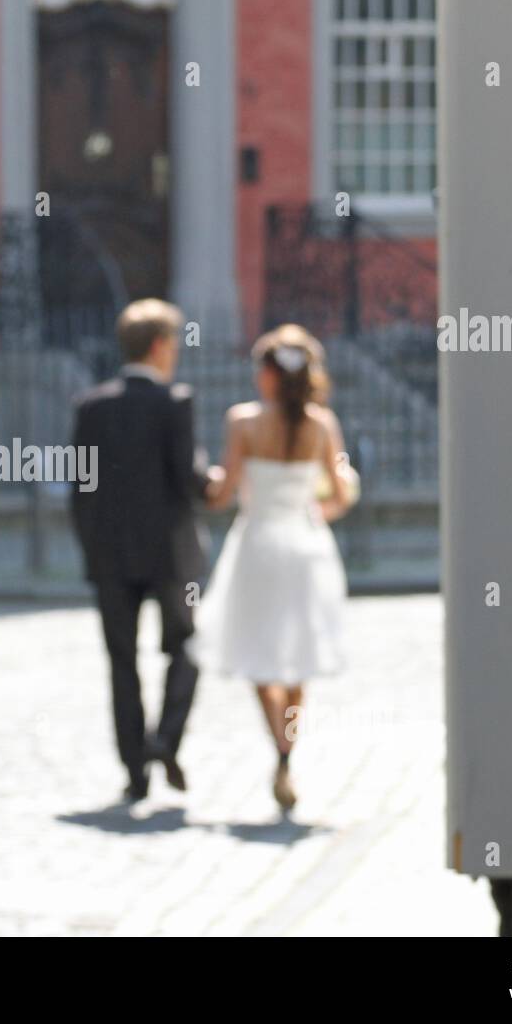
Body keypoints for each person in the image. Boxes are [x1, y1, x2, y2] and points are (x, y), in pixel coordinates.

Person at [190, 323, 353, 812]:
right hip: (305, 545)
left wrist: (203, 479)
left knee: (258, 653)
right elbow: (340, 494)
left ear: (267, 375)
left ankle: (279, 748)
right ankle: (288, 751)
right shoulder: (323, 425)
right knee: (298, 655)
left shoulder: (242, 422)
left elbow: (220, 495)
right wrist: (314, 509)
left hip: (258, 544)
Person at [71, 299, 221, 802]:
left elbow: (80, 487)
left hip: (110, 556)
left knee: (121, 662)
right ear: (159, 346)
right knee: (186, 648)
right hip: (170, 554)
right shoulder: (174, 402)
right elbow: (188, 479)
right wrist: (213, 482)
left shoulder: (91, 406)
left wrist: (91, 548)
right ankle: (165, 739)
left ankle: (135, 770)